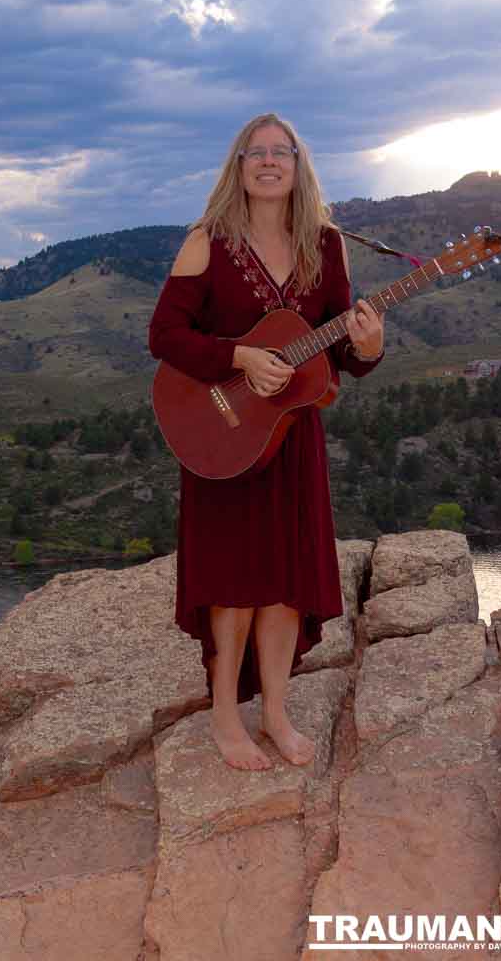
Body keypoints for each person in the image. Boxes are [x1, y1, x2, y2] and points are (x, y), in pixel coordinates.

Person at [148, 112, 384, 772]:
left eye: (283, 151)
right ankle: (226, 714)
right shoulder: (208, 241)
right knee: (231, 586)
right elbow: (165, 335)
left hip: (291, 433)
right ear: (239, 165)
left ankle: (275, 712)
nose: (270, 161)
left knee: (283, 584)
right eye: (257, 152)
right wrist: (241, 357)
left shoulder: (325, 243)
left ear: (299, 165)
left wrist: (370, 347)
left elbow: (341, 348)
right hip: (223, 434)